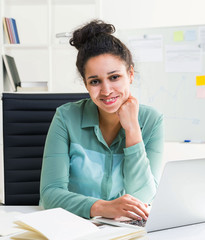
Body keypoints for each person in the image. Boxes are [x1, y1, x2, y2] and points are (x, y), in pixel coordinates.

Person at [39, 20, 164, 221]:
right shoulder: (65, 117)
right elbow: (50, 194)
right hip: (71, 225)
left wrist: (133, 131)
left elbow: (144, 198)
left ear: (130, 74)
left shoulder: (151, 120)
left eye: (114, 77)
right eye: (95, 81)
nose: (106, 91)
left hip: (123, 230)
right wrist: (103, 208)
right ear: (86, 84)